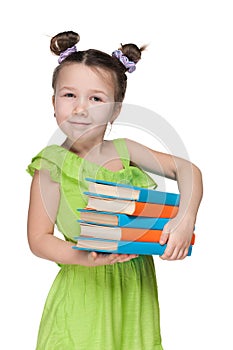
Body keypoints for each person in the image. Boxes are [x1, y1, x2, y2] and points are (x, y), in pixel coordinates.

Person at [27, 30, 203, 350]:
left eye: (96, 99)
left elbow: (187, 170)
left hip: (134, 290)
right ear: (53, 102)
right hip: (84, 288)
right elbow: (39, 239)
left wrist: (185, 217)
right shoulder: (51, 164)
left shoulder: (125, 150)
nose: (81, 108)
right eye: (69, 95)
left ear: (116, 110)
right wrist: (84, 257)